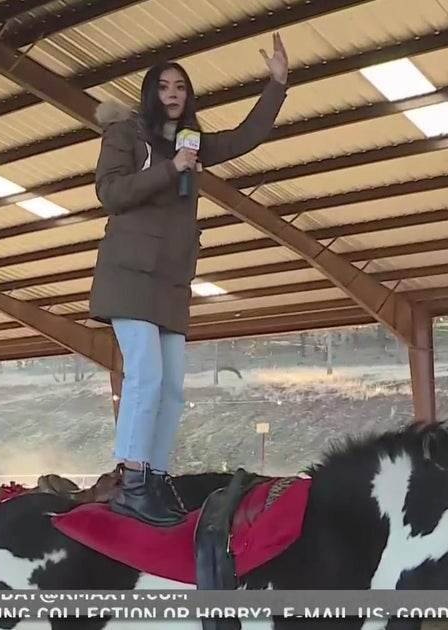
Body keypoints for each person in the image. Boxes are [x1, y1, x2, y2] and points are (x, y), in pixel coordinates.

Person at [87, 34, 289, 526]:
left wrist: (277, 86)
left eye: (180, 86)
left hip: (172, 281)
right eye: (164, 85)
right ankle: (131, 478)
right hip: (130, 275)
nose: (173, 92)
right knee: (147, 376)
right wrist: (169, 169)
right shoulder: (127, 135)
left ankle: (154, 478)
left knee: (174, 387)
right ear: (149, 93)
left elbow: (243, 138)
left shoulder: (191, 143)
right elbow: (109, 192)